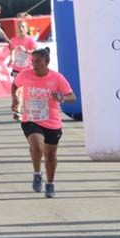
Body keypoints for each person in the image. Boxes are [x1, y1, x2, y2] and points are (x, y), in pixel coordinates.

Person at [13, 47, 76, 198]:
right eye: (33, 61)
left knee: (50, 155)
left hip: (52, 122)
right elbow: (15, 85)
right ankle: (36, 173)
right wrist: (15, 99)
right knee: (36, 145)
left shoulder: (57, 78)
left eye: (38, 62)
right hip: (31, 119)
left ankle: (50, 184)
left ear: (47, 62)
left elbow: (72, 97)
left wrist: (61, 98)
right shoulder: (25, 75)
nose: (34, 65)